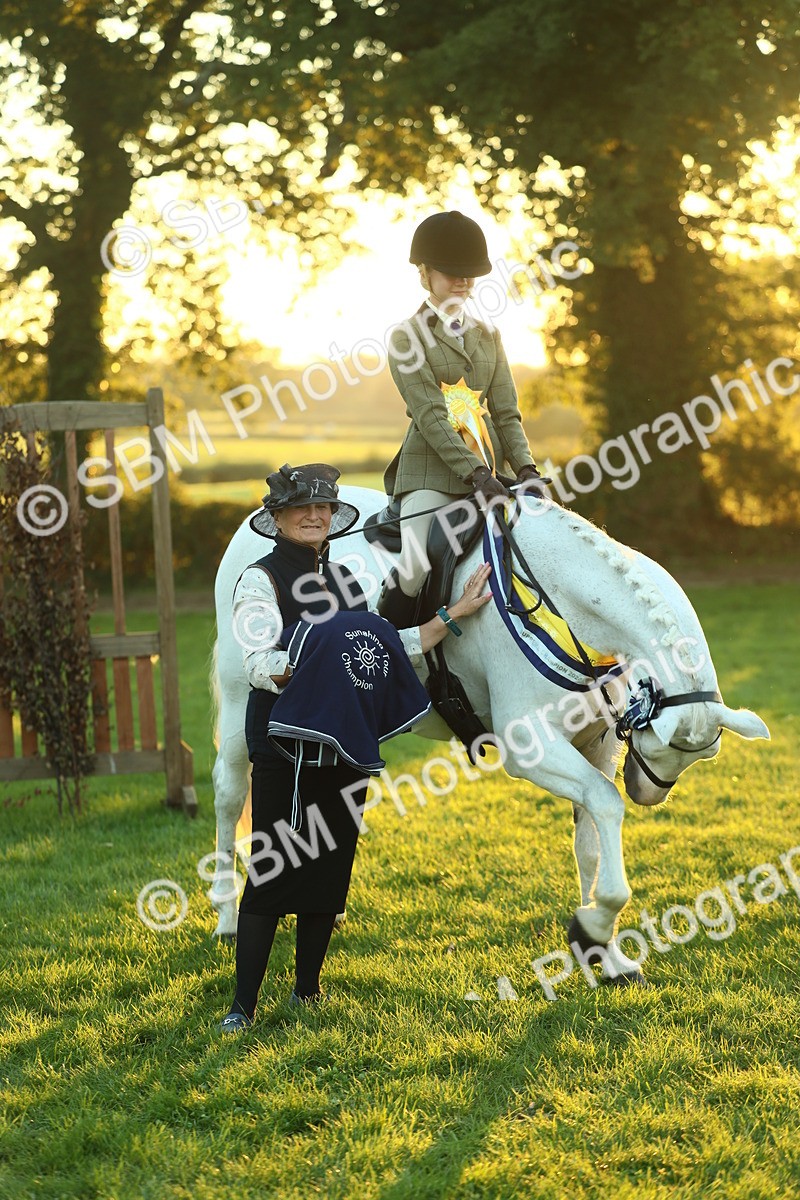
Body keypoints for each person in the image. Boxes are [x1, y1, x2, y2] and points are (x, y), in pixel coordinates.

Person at [219, 462, 492, 1033]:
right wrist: (318, 660)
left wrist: (453, 614)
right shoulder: (259, 579)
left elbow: (384, 644)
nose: (314, 516)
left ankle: (306, 992)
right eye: (301, 508)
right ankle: (242, 1007)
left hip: (346, 738)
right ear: (278, 518)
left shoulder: (345, 579)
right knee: (272, 870)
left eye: (323, 507)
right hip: (283, 742)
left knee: (329, 865)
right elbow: (259, 663)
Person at [379, 210, 546, 627]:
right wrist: (475, 474)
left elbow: (506, 411)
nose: (462, 281)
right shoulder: (406, 336)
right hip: (431, 475)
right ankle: (391, 647)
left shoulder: (489, 335)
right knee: (416, 568)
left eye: (469, 273)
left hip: (490, 473)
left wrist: (525, 468)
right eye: (452, 272)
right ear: (425, 274)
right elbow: (431, 416)